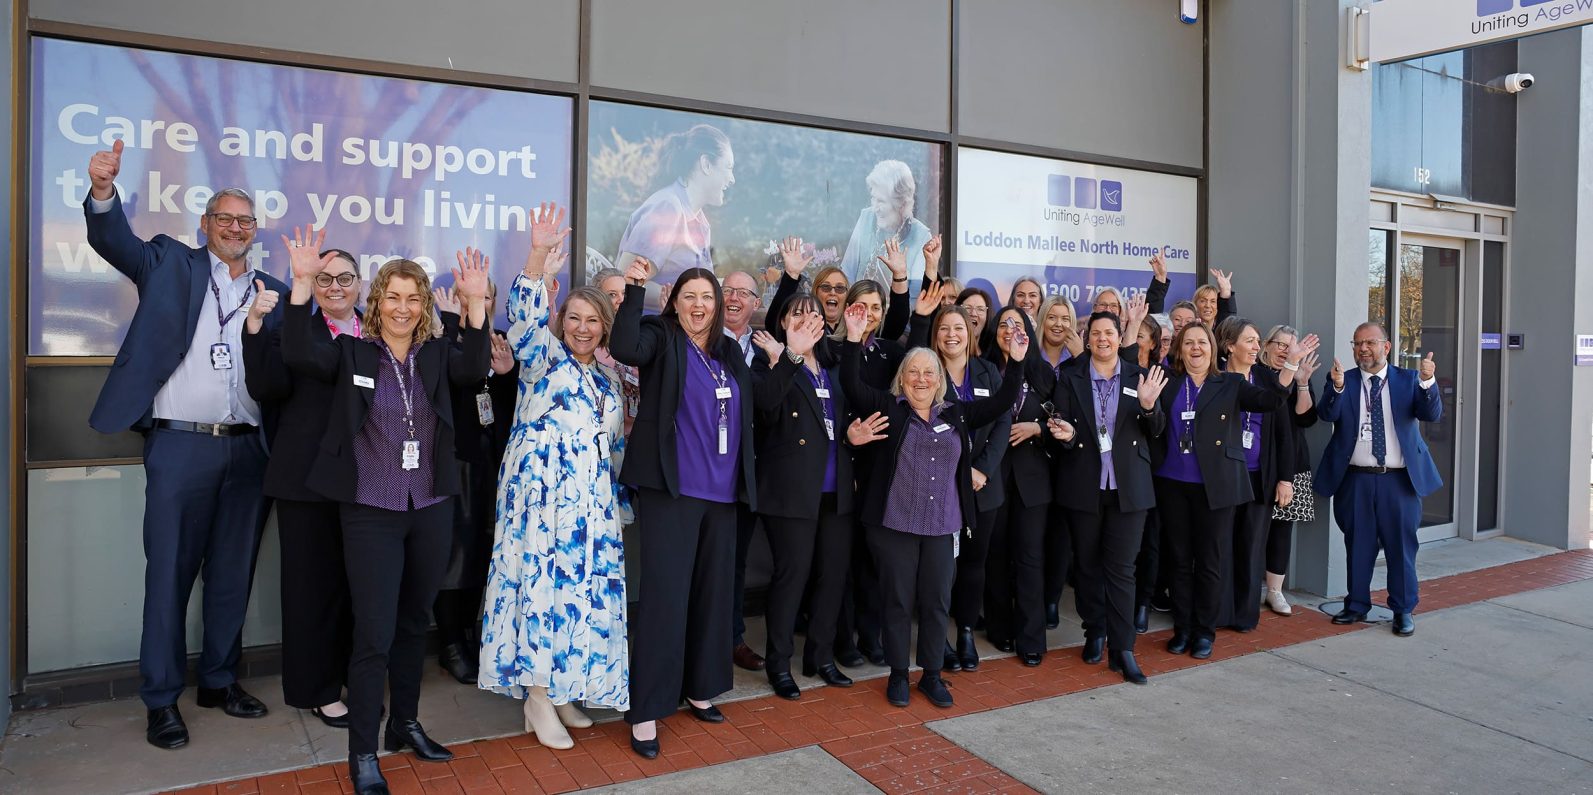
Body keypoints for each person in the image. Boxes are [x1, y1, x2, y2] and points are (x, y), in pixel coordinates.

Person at [82, 139, 286, 750]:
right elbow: (114, 241)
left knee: (232, 573)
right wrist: (102, 191)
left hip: (248, 449)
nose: (234, 228)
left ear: (255, 230)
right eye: (224, 218)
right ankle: (161, 699)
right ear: (205, 223)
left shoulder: (272, 291)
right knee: (169, 574)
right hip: (180, 447)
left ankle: (219, 681)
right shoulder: (170, 262)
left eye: (245, 221)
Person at [282, 230, 491, 795]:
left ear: (424, 306)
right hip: (371, 510)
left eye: (413, 298)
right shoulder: (353, 352)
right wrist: (301, 283)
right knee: (373, 632)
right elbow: (299, 353)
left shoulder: (437, 355)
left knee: (413, 623)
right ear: (377, 302)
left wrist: (475, 303)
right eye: (393, 297)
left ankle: (405, 724)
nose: (403, 308)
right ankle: (363, 753)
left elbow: (475, 368)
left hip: (429, 506)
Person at [478, 203, 630, 751]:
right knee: (540, 592)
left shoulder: (609, 384)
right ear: (561, 321)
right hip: (539, 502)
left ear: (604, 328)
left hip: (590, 507)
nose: (582, 328)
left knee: (577, 596)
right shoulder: (543, 359)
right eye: (574, 318)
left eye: (593, 321)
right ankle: (537, 696)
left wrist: (614, 506)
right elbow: (522, 322)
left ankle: (563, 688)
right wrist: (537, 256)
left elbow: (613, 451)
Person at [839, 303, 1029, 709]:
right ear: (901, 379)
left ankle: (931, 675)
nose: (921, 379)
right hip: (895, 526)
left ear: (939, 379)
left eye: (929, 373)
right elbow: (852, 384)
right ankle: (898, 674)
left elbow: (1002, 402)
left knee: (936, 601)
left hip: (943, 527)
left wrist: (1016, 361)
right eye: (913, 372)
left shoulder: (956, 413)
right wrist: (853, 338)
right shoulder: (889, 409)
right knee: (897, 601)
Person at [610, 259, 757, 760]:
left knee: (712, 597)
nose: (699, 305)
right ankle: (647, 709)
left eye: (707, 297)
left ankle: (700, 686)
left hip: (722, 494)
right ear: (674, 302)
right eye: (689, 296)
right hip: (672, 492)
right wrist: (635, 289)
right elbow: (624, 348)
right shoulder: (661, 335)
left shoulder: (727, 352)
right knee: (665, 599)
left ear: (717, 306)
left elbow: (756, 404)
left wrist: (793, 357)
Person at [241, 248, 358, 729]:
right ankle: (318, 690)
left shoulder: (378, 332)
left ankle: (353, 676)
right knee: (311, 591)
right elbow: (266, 387)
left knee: (356, 588)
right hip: (306, 483)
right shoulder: (295, 330)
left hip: (365, 482)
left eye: (344, 278)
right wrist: (253, 328)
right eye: (322, 279)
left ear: (359, 283)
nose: (335, 287)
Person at [1152, 323, 1311, 660]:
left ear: (1213, 349)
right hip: (1172, 485)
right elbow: (1152, 425)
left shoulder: (1229, 383)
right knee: (1179, 561)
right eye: (1189, 343)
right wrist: (1149, 405)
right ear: (1180, 349)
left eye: (1202, 342)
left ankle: (1204, 631)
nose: (1196, 348)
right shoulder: (1169, 383)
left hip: (1215, 487)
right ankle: (1182, 628)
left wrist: (1291, 365)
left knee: (1210, 561)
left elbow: (1271, 400)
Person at [1047, 311, 1169, 683]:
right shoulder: (1070, 377)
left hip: (1128, 489)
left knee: (1121, 570)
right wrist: (1065, 435)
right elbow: (1062, 427)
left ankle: (1123, 648)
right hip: (1083, 486)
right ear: (1087, 339)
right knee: (1087, 567)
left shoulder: (1139, 377)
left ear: (1119, 337)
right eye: (1095, 333)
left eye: (1109, 332)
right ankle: (1095, 631)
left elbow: (1156, 430)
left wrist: (1148, 407)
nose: (1102, 338)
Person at [747, 295, 853, 698]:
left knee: (832, 577)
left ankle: (820, 657)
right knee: (792, 578)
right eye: (798, 312)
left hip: (836, 488)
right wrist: (789, 356)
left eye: (814, 313)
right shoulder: (769, 361)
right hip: (791, 491)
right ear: (783, 321)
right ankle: (779, 664)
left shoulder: (834, 365)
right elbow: (765, 407)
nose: (808, 318)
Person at [1315, 323, 1441, 637]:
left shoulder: (1408, 379)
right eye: (1357, 343)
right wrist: (1337, 388)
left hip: (1398, 481)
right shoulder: (1344, 380)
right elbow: (1326, 414)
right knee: (1358, 544)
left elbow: (1431, 413)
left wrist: (1428, 382)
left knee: (1401, 547)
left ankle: (1403, 609)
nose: (1363, 349)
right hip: (1355, 479)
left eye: (1369, 343)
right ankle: (1357, 604)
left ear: (1386, 347)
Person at [906, 295, 1010, 669]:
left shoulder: (988, 372)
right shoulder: (927, 374)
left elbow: (1002, 421)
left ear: (970, 333)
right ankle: (939, 640)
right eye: (944, 328)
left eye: (959, 328)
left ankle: (965, 631)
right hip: (939, 488)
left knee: (973, 565)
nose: (952, 334)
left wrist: (982, 469)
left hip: (982, 486)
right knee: (939, 571)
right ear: (935, 335)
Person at [431, 277, 522, 687]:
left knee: (485, 553)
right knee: (455, 558)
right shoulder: (442, 337)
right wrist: (452, 328)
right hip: (457, 464)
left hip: (495, 465)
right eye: (470, 296)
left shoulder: (501, 341)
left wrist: (506, 376)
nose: (478, 302)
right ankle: (451, 644)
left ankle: (470, 636)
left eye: (485, 297)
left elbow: (511, 406)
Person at [1218, 319, 1314, 633]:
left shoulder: (1266, 379)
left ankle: (1244, 616)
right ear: (1230, 346)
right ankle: (1218, 611)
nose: (1256, 346)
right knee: (1220, 547)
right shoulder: (1216, 376)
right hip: (1223, 478)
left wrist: (1285, 479)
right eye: (1250, 340)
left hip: (1259, 477)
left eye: (1258, 340)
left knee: (1251, 548)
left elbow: (1285, 434)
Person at [614, 124, 734, 308]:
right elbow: (622, 282)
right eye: (728, 167)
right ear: (706, 164)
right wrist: (680, 299)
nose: (732, 179)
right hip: (651, 324)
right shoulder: (668, 208)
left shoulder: (700, 222)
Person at [720, 268, 769, 673]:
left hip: (748, 475)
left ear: (757, 303)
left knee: (735, 561)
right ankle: (697, 640)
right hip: (705, 472)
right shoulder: (701, 340)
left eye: (743, 292)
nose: (734, 297)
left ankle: (732, 638)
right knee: (702, 562)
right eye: (727, 290)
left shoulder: (767, 348)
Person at [1259, 324, 1320, 615]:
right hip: (1257, 465)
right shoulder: (1256, 374)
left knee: (1281, 530)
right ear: (1266, 345)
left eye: (1292, 346)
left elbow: (1306, 420)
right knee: (1252, 529)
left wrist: (1303, 382)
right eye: (1281, 344)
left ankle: (1274, 591)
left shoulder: (1297, 377)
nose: (1286, 351)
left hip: (1292, 465)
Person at [841, 160, 933, 288]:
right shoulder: (867, 217)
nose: (875, 207)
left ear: (901, 203)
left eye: (881, 201)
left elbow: (915, 293)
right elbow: (847, 274)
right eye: (873, 198)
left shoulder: (921, 236)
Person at [589, 266, 642, 437]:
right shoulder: (585, 339)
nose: (621, 300)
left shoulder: (640, 338)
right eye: (612, 294)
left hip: (634, 440)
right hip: (597, 438)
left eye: (625, 294)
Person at [1037, 295, 1083, 378]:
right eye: (1052, 318)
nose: (1058, 324)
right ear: (1042, 321)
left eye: (1065, 319)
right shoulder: (1029, 354)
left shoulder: (1078, 356)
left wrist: (1080, 357)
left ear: (1071, 324)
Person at [956, 287, 996, 360]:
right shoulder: (948, 351)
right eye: (967, 308)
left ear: (987, 316)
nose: (973, 314)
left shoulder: (993, 358)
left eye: (980, 309)